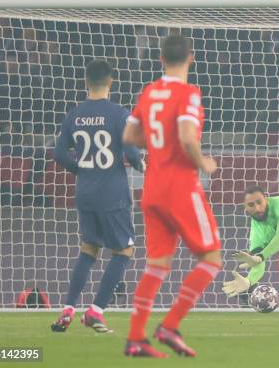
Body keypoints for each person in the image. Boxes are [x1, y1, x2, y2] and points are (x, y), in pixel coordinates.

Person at [122, 34, 221, 358]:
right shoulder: (188, 93)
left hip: (151, 188)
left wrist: (157, 145)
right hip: (180, 186)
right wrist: (203, 162)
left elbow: (129, 135)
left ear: (161, 59)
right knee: (211, 258)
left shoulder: (150, 92)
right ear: (191, 58)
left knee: (156, 265)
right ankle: (170, 325)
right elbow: (186, 136)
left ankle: (136, 338)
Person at [51, 60, 144, 334]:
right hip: (112, 193)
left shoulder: (74, 114)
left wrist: (80, 170)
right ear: (111, 82)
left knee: (89, 248)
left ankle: (68, 308)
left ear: (85, 83)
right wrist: (140, 164)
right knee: (124, 250)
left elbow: (58, 153)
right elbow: (130, 151)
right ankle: (96, 310)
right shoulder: (118, 114)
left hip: (85, 192)